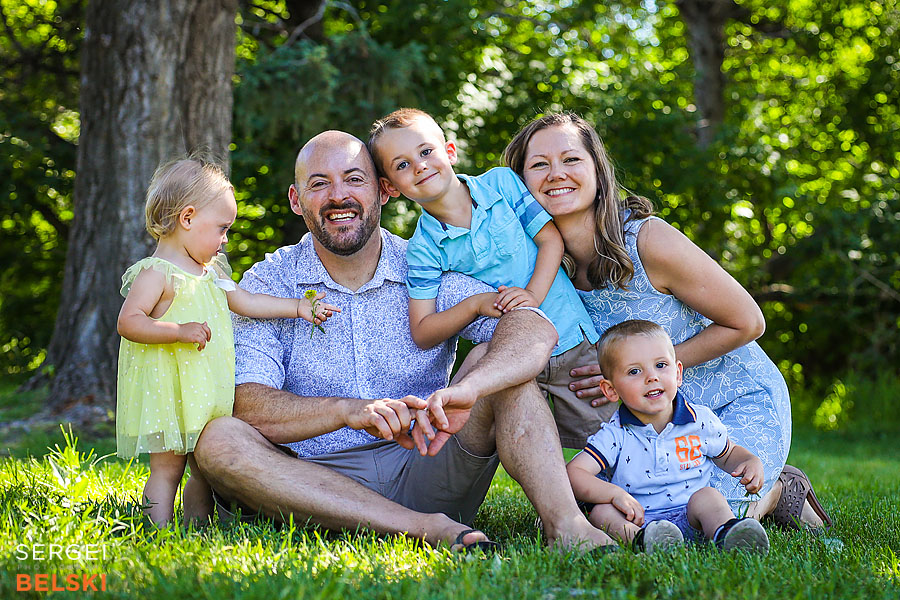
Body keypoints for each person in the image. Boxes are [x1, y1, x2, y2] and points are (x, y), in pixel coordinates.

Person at [191, 130, 618, 552]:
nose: (339, 196)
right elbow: (247, 402)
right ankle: (419, 528)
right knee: (219, 438)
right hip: (312, 482)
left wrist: (468, 388)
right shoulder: (270, 281)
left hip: (428, 465)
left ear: (383, 191)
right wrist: (348, 412)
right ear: (295, 199)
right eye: (319, 183)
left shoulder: (426, 268)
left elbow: (532, 326)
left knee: (500, 367)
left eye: (355, 179)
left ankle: (567, 527)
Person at [503, 112, 832, 529]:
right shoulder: (541, 266)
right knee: (618, 513)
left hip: (735, 403)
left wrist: (651, 367)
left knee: (697, 516)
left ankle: (780, 488)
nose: (556, 174)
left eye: (571, 160)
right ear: (520, 183)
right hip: (648, 426)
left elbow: (748, 321)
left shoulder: (645, 239)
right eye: (538, 165)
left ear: (598, 173)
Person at [116, 157, 339, 526]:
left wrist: (298, 307)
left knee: (204, 470)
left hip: (205, 393)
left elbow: (247, 302)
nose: (224, 240)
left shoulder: (212, 272)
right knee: (167, 470)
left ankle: (198, 529)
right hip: (172, 394)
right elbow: (129, 322)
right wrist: (178, 330)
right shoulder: (157, 274)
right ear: (187, 219)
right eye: (221, 229)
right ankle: (154, 532)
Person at [367, 108, 606, 448]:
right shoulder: (423, 249)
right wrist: (475, 305)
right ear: (390, 186)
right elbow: (422, 332)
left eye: (425, 152)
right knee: (526, 441)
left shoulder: (501, 184)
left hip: (571, 338)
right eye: (402, 165)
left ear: (449, 152)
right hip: (510, 358)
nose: (419, 165)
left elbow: (550, 239)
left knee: (601, 444)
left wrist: (532, 296)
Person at [567, 320, 770, 554]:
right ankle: (643, 541)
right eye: (634, 371)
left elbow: (728, 453)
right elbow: (575, 473)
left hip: (693, 516)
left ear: (677, 373)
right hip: (639, 520)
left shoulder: (699, 420)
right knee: (601, 511)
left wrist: (749, 461)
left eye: (661, 365)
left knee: (708, 496)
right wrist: (614, 494)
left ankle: (726, 533)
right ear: (611, 390)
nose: (651, 377)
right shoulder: (616, 433)